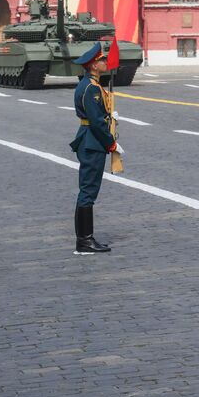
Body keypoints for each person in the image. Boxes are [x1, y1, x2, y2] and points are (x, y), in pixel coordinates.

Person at [70, 42, 121, 255]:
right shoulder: (91, 88)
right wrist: (111, 142)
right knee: (88, 191)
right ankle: (85, 240)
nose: (105, 62)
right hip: (92, 141)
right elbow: (96, 122)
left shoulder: (91, 84)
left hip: (89, 139)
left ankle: (84, 239)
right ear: (93, 65)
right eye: (101, 60)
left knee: (87, 190)